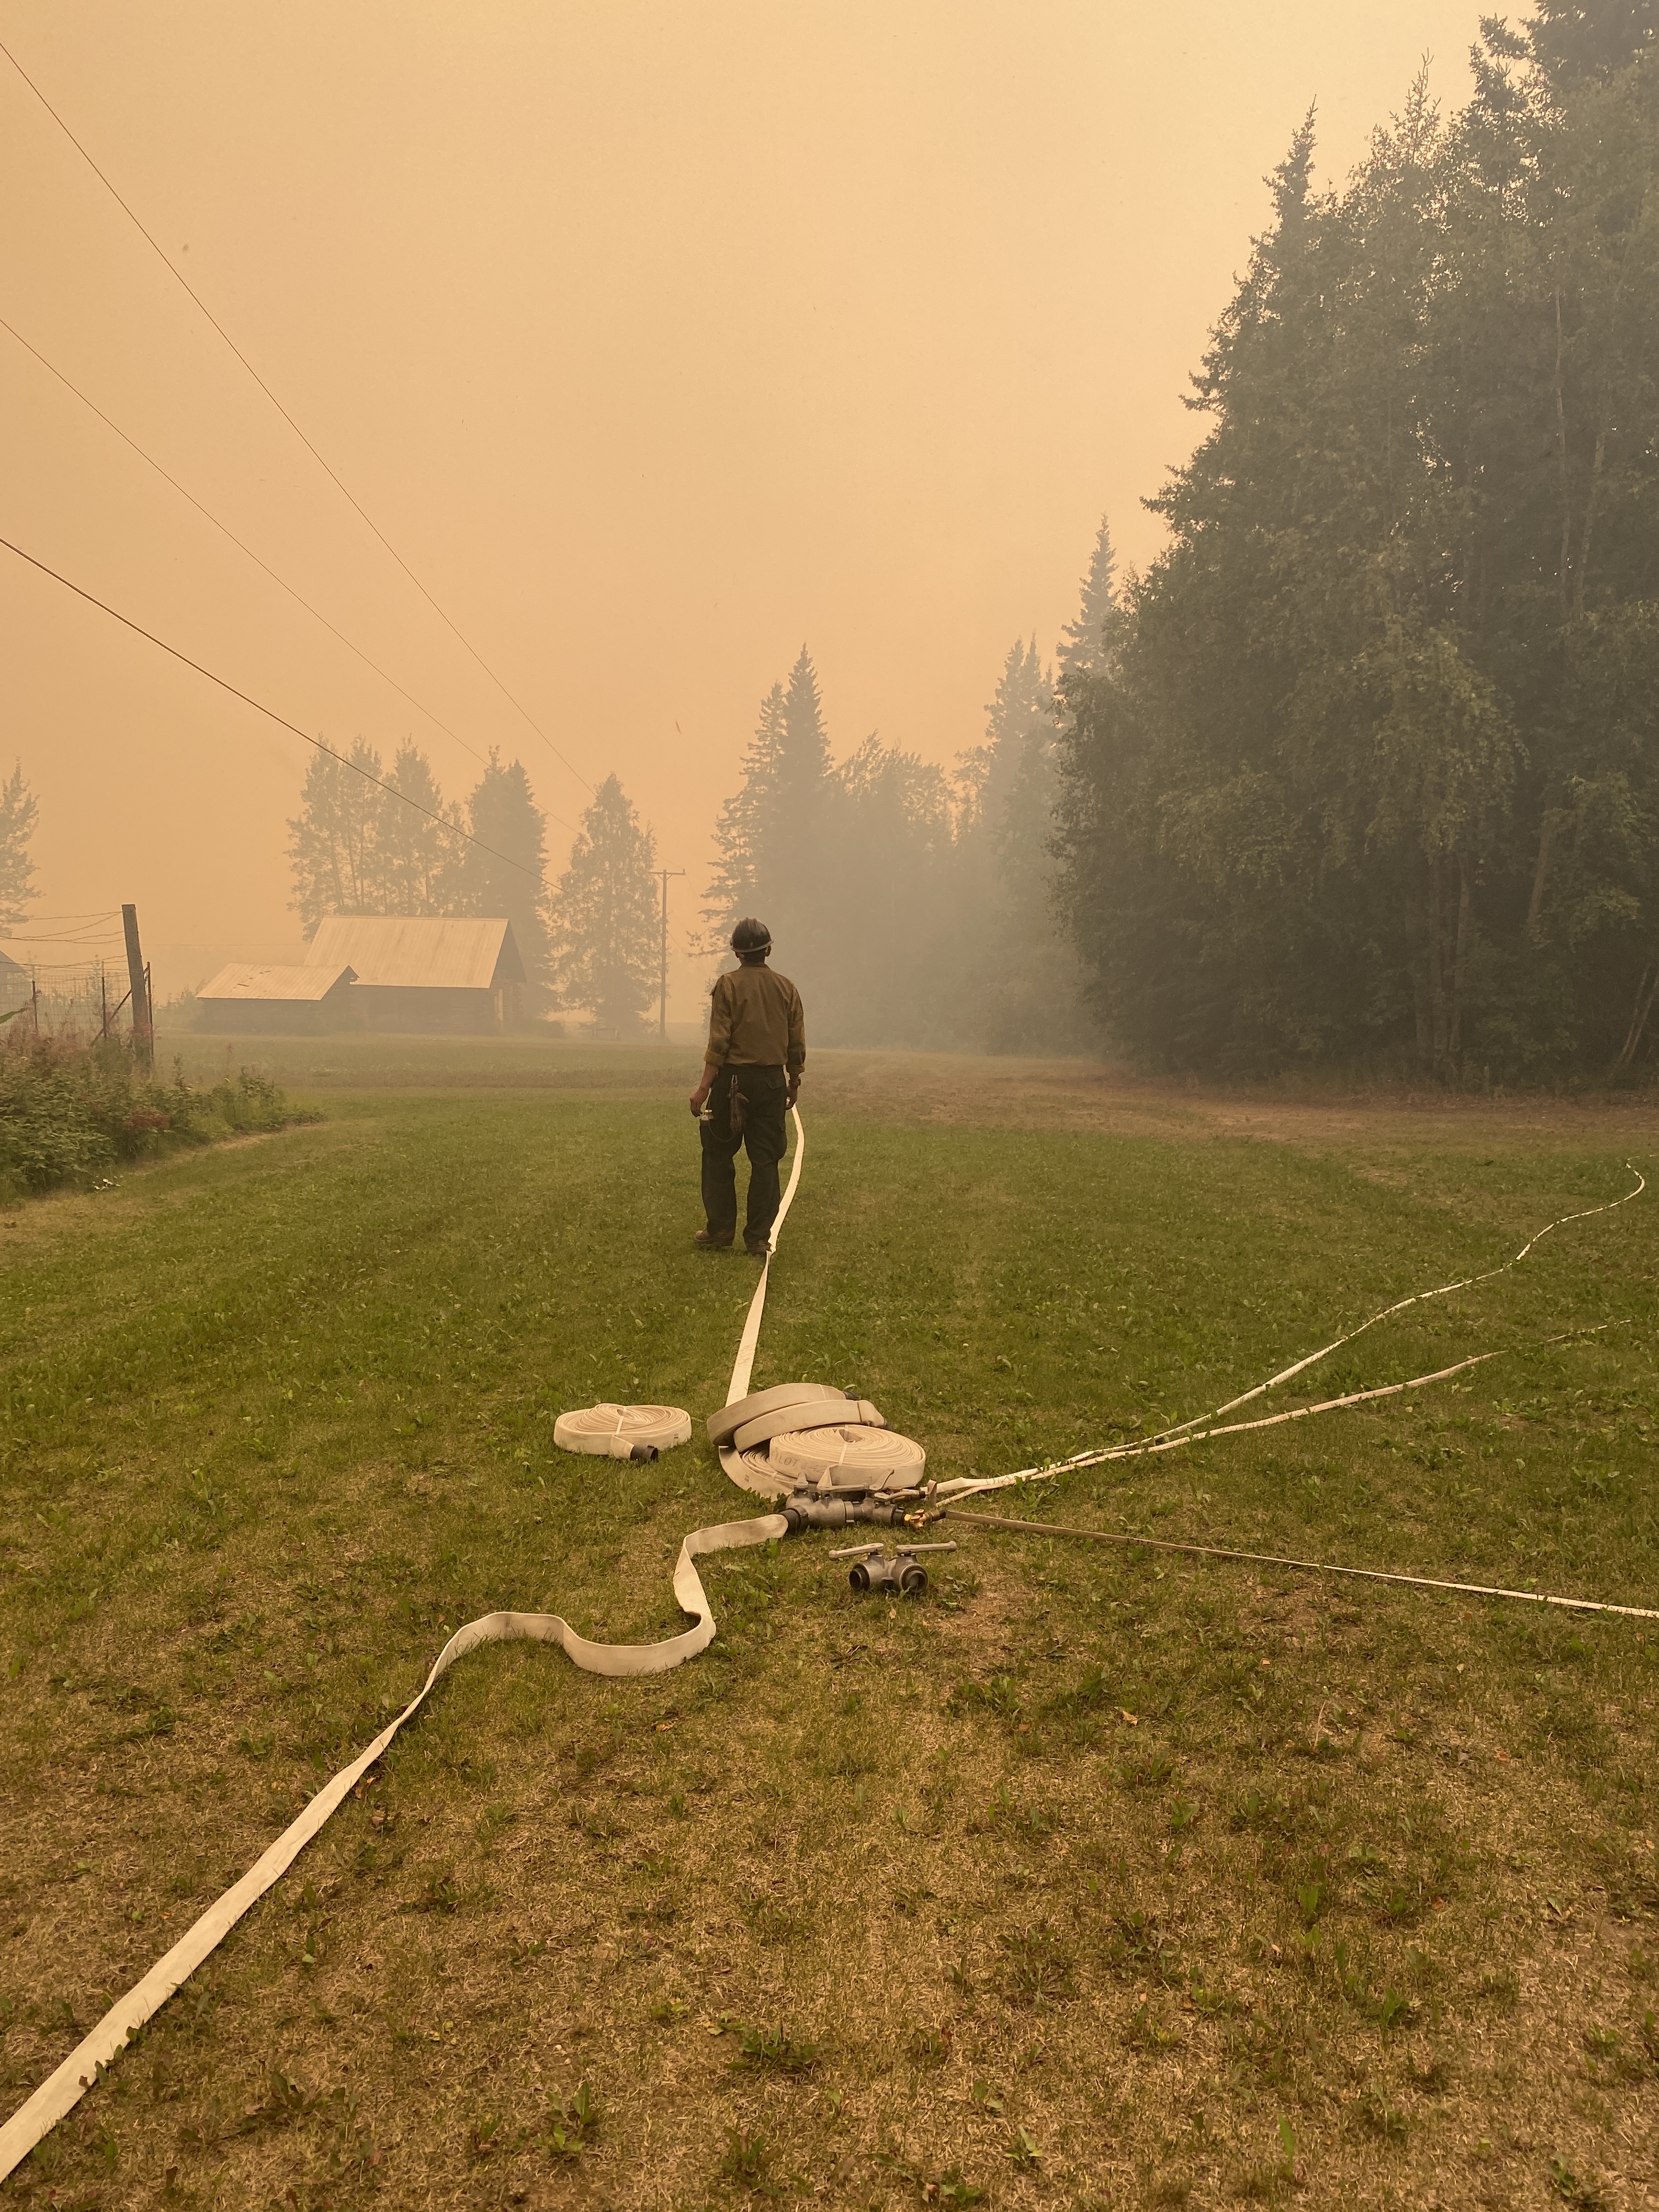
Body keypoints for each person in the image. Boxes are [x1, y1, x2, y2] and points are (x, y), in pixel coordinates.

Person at [689, 918, 804, 1255]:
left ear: (737, 953)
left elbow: (719, 1044)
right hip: (771, 1084)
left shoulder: (727, 986)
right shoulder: (788, 988)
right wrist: (792, 1082)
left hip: (731, 1084)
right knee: (766, 1160)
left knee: (718, 1155)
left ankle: (720, 1230)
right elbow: (796, 1043)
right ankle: (757, 1237)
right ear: (768, 949)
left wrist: (703, 1089)